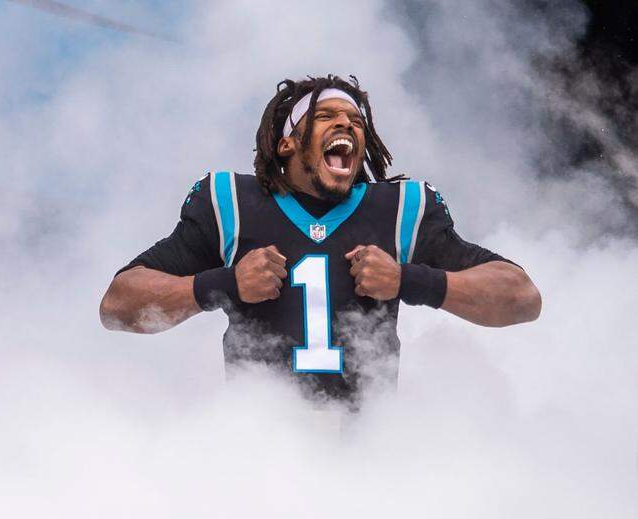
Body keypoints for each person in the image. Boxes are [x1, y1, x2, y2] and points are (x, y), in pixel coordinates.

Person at [99, 75, 541, 402]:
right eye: (326, 116)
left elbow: (522, 297)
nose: (346, 125)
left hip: (370, 451)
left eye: (355, 120)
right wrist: (223, 285)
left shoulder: (401, 209)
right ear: (287, 144)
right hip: (259, 450)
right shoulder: (231, 203)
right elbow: (118, 307)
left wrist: (410, 280)